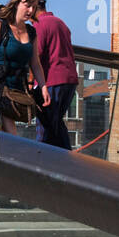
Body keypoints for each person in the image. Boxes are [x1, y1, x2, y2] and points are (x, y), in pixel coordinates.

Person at [0, 0, 51, 136]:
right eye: (27, 5)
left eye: (34, 7)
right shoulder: (0, 27)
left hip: (17, 90)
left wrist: (43, 87)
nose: (30, 10)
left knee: (2, 136)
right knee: (10, 134)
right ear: (17, 3)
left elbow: (35, 63)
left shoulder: (31, 32)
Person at [33, 9, 80, 150]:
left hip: (52, 80)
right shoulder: (61, 23)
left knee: (45, 125)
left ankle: (41, 156)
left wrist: (30, 82)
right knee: (56, 123)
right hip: (69, 79)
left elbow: (35, 56)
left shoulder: (40, 24)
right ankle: (66, 156)